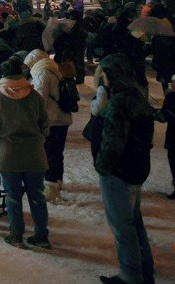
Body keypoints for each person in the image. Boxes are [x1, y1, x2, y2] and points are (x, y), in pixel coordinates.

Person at [94, 54, 155, 284]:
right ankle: (145, 267)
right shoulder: (137, 94)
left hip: (119, 172)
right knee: (134, 220)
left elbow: (113, 142)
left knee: (122, 226)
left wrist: (102, 167)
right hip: (137, 167)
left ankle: (131, 275)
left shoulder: (120, 102)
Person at [0, 57, 50, 249]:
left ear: (2, 73)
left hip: (7, 153)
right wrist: (40, 136)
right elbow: (45, 123)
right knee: (37, 195)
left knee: (12, 196)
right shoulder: (34, 95)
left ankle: (16, 235)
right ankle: (41, 235)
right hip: (34, 152)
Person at [29, 49, 73, 203]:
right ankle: (57, 182)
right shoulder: (55, 69)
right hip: (63, 118)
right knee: (57, 152)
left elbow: (40, 98)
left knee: (49, 153)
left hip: (51, 120)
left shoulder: (42, 73)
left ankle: (50, 187)